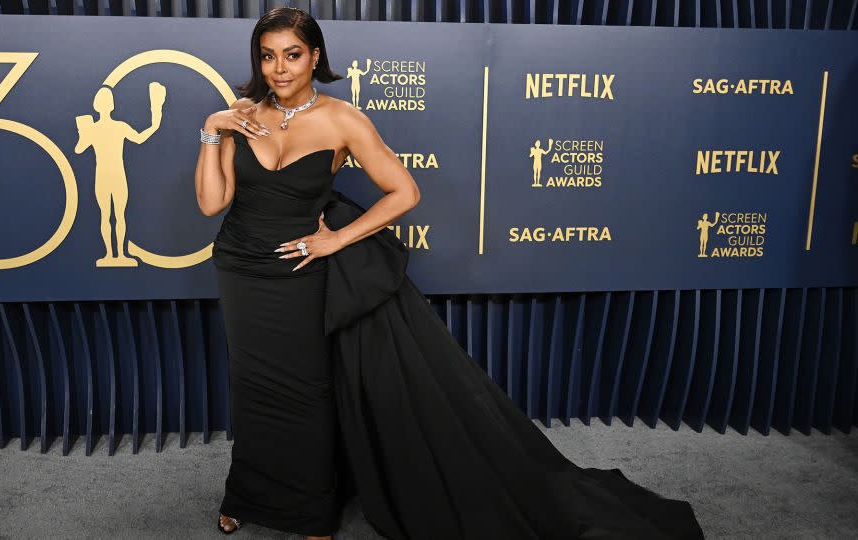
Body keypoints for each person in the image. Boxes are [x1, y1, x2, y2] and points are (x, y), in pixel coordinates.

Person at [195, 7, 705, 540]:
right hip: (241, 268)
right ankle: (247, 494)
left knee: (307, 391)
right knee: (251, 385)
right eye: (269, 55)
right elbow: (213, 203)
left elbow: (405, 191)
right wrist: (212, 130)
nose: (280, 68)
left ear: (315, 56)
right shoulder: (240, 116)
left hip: (302, 272)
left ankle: (309, 511)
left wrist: (336, 240)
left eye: (292, 54)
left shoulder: (343, 119)